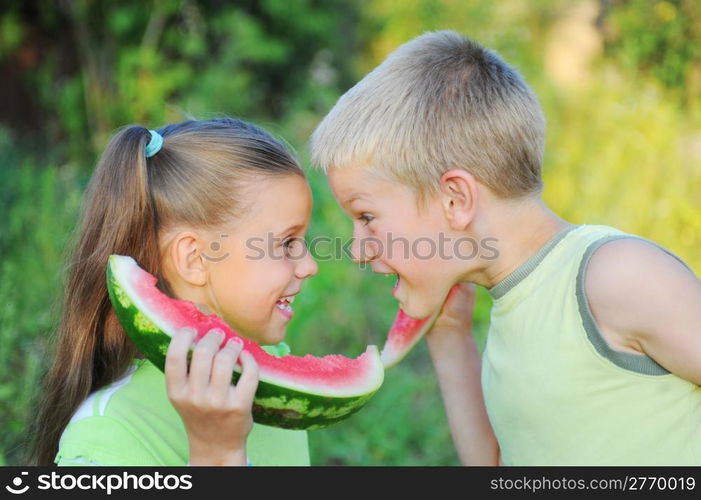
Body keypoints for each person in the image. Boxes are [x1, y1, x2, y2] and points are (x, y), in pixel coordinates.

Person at [310, 30, 701, 465]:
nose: (358, 250)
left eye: (366, 218)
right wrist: (448, 335)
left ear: (456, 200)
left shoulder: (614, 276)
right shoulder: (514, 306)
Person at [27, 118, 318, 466]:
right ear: (195, 258)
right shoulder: (108, 435)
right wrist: (217, 455)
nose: (309, 265)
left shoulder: (275, 390)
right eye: (286, 243)